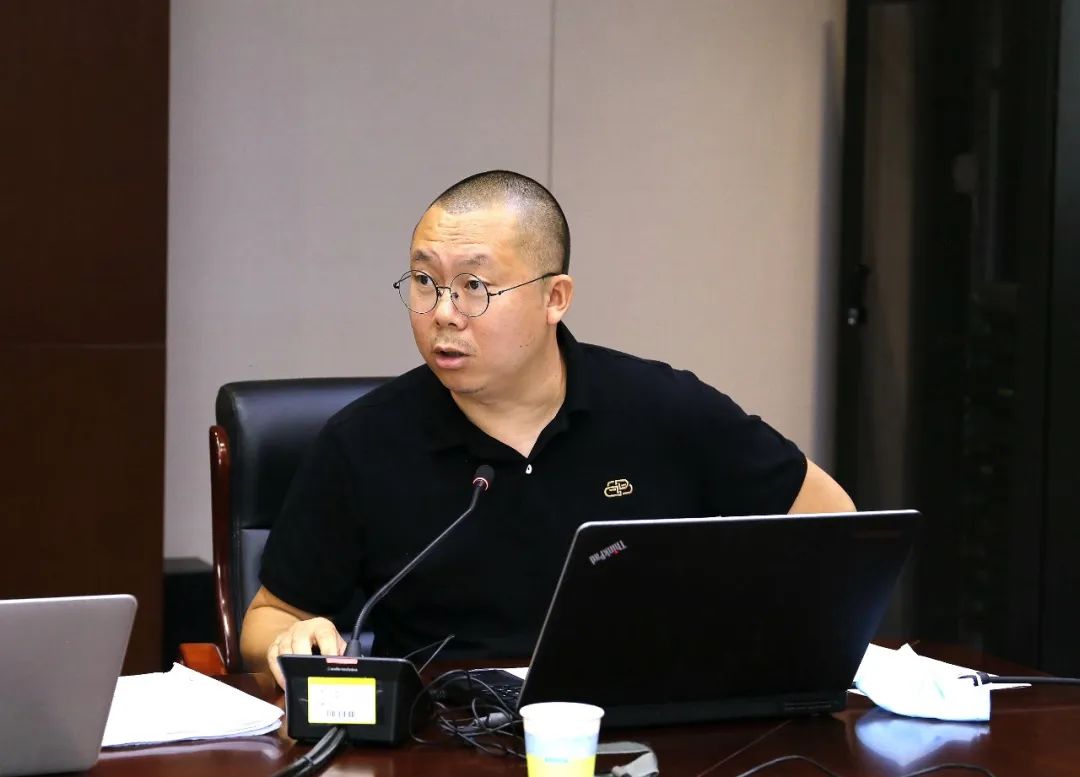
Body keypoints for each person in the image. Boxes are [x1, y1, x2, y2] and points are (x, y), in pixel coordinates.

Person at [241, 170, 854, 688]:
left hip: (652, 722)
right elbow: (267, 619)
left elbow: (833, 522)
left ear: (555, 298)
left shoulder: (662, 408)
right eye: (425, 281)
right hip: (448, 733)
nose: (443, 313)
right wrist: (292, 640)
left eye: (474, 286)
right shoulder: (364, 442)